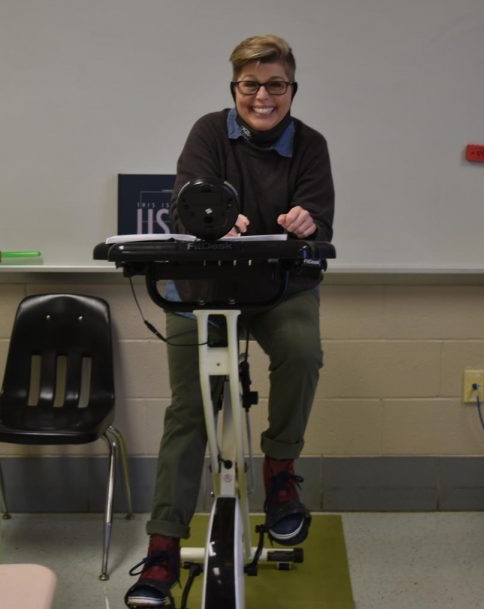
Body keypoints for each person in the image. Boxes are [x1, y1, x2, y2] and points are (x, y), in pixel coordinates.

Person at [124, 34, 334, 608]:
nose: (263, 96)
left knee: (301, 352)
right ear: (234, 88)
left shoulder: (310, 145)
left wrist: (307, 224)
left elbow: (322, 221)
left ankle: (281, 470)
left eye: (276, 85)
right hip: (204, 287)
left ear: (292, 88)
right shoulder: (208, 133)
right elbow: (183, 205)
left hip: (281, 287)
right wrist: (213, 222)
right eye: (251, 85)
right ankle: (164, 548)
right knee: (189, 408)